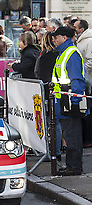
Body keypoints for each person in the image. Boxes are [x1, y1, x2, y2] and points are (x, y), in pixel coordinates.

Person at [51, 26, 86, 176]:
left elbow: (77, 79)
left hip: (70, 102)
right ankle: (71, 165)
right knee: (70, 135)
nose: (53, 40)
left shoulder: (70, 54)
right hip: (64, 101)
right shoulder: (64, 53)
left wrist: (75, 102)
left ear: (64, 38)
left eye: (55, 37)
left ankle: (74, 167)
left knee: (72, 137)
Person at [35, 31, 62, 160]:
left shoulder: (45, 56)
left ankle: (52, 153)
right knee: (56, 122)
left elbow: (39, 72)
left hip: (47, 91)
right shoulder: (58, 54)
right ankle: (56, 151)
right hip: (58, 91)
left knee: (50, 122)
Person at [74, 19, 92, 147]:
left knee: (88, 112)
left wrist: (82, 71)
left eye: (75, 27)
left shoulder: (89, 41)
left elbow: (90, 61)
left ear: (81, 29)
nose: (73, 28)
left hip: (88, 80)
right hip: (84, 80)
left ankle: (89, 140)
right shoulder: (81, 40)